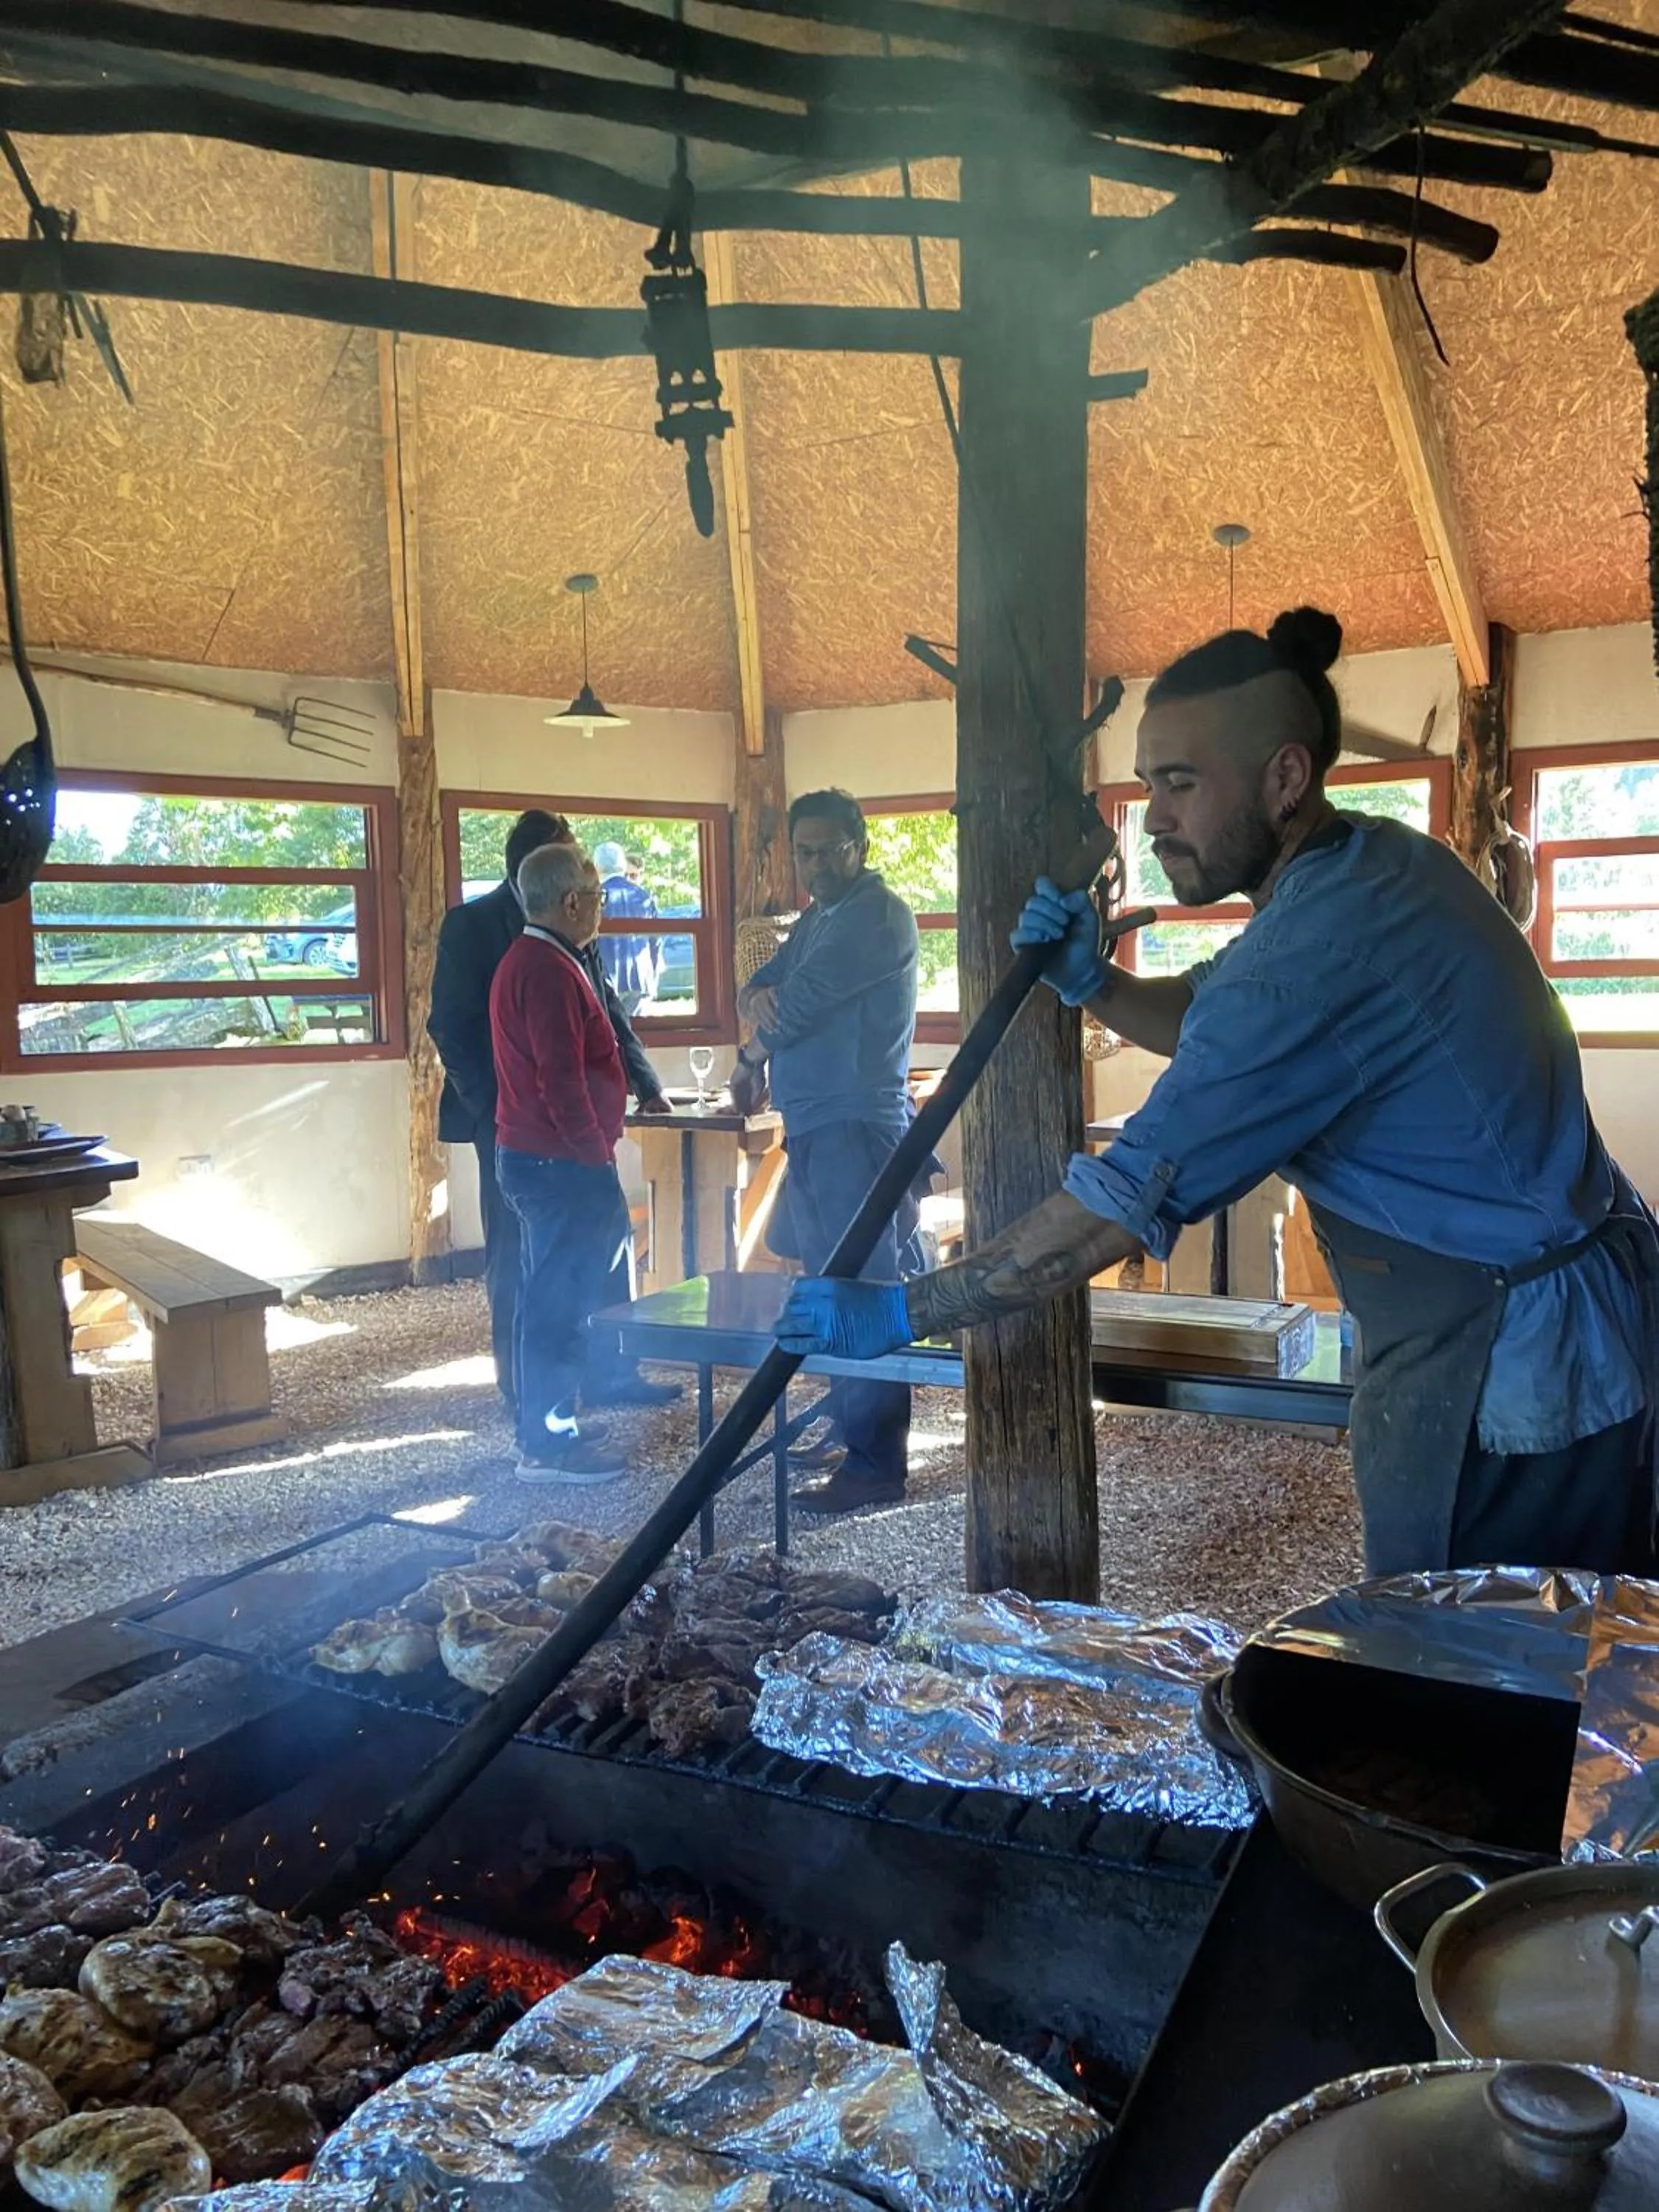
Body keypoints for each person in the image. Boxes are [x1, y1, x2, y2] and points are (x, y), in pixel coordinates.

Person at [776, 608, 1659, 1579]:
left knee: (1479, 1648)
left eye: (1182, 783)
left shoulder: (1315, 952)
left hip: (1517, 1365)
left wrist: (902, 1311)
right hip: (1549, 1305)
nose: (1154, 817)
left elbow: (1106, 1213)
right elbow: (1208, 1008)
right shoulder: (1372, 863)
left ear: (1285, 778)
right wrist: (1093, 983)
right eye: (1149, 784)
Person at [427, 808, 675, 1420]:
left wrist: (645, 1083)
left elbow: (606, 1011)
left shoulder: (572, 934)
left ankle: (610, 1373)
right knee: (526, 1264)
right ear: (545, 876)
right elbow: (451, 1028)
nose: (594, 890)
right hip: (518, 1130)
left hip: (575, 1133)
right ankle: (530, 1395)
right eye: (583, 877)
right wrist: (499, 1109)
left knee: (607, 1248)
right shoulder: (476, 928)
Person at [734, 788, 924, 1512]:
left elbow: (800, 1003)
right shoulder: (820, 917)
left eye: (828, 850)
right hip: (815, 1125)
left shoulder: (877, 915)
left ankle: (877, 1464)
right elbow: (762, 984)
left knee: (861, 1291)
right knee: (827, 1286)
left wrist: (749, 1056)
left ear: (860, 846)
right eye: (803, 852)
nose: (814, 865)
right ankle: (850, 1427)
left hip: (856, 1128)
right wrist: (758, 999)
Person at [491, 841, 647, 1481]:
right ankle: (548, 1445)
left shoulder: (541, 958)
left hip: (546, 1159)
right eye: (598, 896)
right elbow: (561, 1081)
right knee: (558, 1305)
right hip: (560, 1165)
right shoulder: (548, 970)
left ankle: (555, 1421)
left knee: (556, 1296)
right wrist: (594, 1158)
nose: (603, 907)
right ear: (571, 902)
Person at [594, 839, 659, 1014]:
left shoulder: (595, 898)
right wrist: (653, 975)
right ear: (623, 866)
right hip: (641, 979)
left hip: (607, 981)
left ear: (597, 867)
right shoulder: (643, 896)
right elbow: (655, 940)